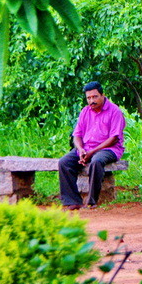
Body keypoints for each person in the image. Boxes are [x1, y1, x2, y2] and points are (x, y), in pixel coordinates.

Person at [58, 81, 126, 210]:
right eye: (88, 98)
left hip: (108, 149)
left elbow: (113, 138)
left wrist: (92, 152)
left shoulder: (114, 111)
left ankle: (91, 201)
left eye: (95, 97)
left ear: (102, 95)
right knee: (64, 162)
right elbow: (77, 135)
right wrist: (81, 149)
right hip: (86, 148)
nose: (91, 101)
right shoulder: (85, 111)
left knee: (96, 161)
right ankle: (72, 201)